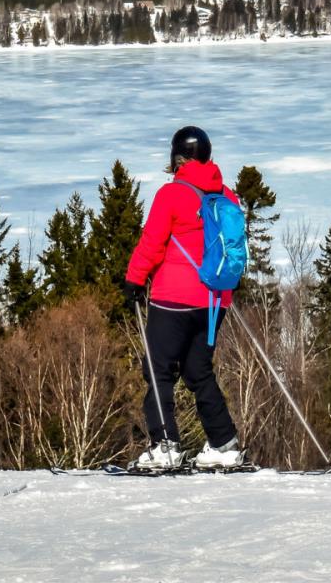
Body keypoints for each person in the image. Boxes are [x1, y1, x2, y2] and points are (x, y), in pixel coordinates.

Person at [123, 125, 245, 471]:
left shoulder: (172, 194)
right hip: (214, 301)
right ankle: (224, 444)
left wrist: (134, 280)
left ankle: (165, 446)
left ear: (176, 158)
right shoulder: (228, 196)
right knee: (198, 370)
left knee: (159, 369)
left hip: (173, 298)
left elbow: (152, 242)